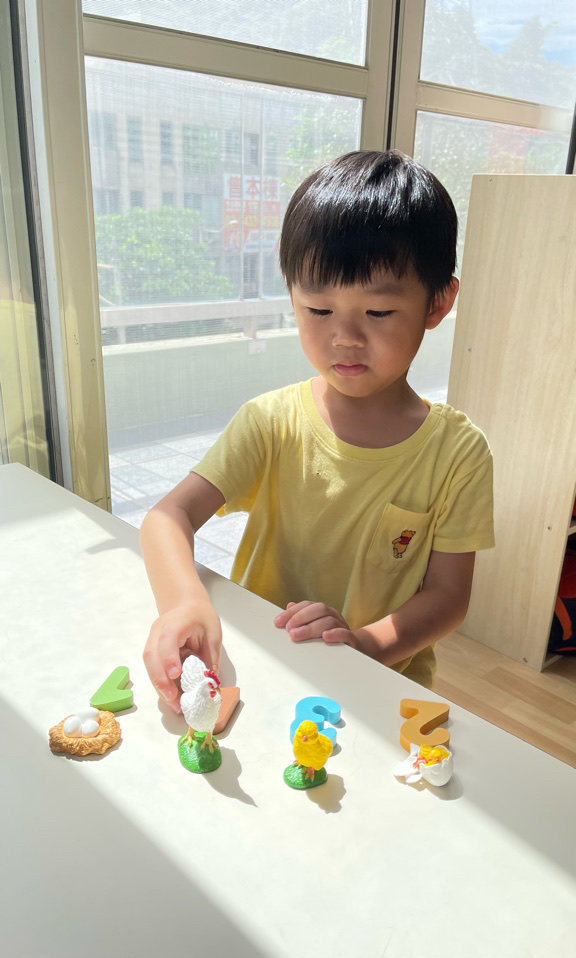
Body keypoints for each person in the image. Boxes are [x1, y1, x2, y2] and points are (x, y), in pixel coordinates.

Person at [140, 150, 494, 713]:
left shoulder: (458, 453)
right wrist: (184, 603)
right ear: (292, 299)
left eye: (378, 313)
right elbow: (167, 517)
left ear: (438, 303)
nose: (345, 337)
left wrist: (363, 645)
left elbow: (448, 597)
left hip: (379, 688)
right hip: (265, 671)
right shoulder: (271, 422)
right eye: (318, 309)